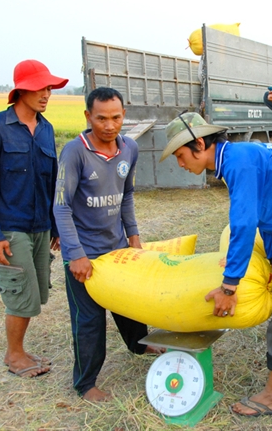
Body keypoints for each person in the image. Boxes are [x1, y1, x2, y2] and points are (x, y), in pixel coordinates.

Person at [159, 112, 272, 417]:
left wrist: (229, 286)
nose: (181, 164)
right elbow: (266, 211)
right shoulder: (240, 155)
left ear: (201, 144)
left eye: (181, 155)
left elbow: (243, 225)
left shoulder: (238, 163)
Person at [53, 87, 162, 402]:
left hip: (117, 248)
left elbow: (126, 194)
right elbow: (61, 206)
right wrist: (75, 255)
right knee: (89, 319)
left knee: (129, 302)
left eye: (116, 117)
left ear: (123, 116)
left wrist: (134, 237)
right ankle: (85, 384)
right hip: (84, 254)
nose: (109, 125)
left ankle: (138, 345)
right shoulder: (75, 152)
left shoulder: (129, 148)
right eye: (101, 118)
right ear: (88, 116)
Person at [0, 59, 68, 378]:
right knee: (19, 292)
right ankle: (14, 356)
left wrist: (56, 226)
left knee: (37, 292)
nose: (46, 93)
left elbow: (52, 181)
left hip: (41, 225)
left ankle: (20, 350)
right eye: (39, 87)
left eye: (49, 88)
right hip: (10, 227)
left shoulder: (46, 129)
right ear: (21, 90)